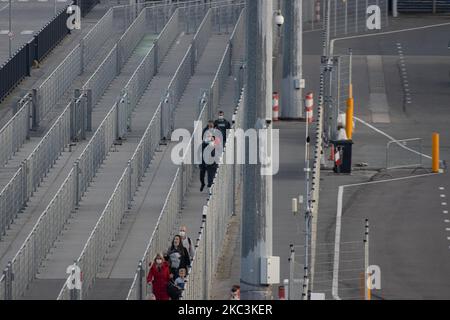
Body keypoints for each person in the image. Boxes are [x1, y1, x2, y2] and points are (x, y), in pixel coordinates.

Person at [199, 121, 220, 192]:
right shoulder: (205, 133)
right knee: (202, 172)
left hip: (213, 157)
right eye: (209, 126)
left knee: (211, 172)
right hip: (205, 157)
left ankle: (210, 186)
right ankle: (203, 183)